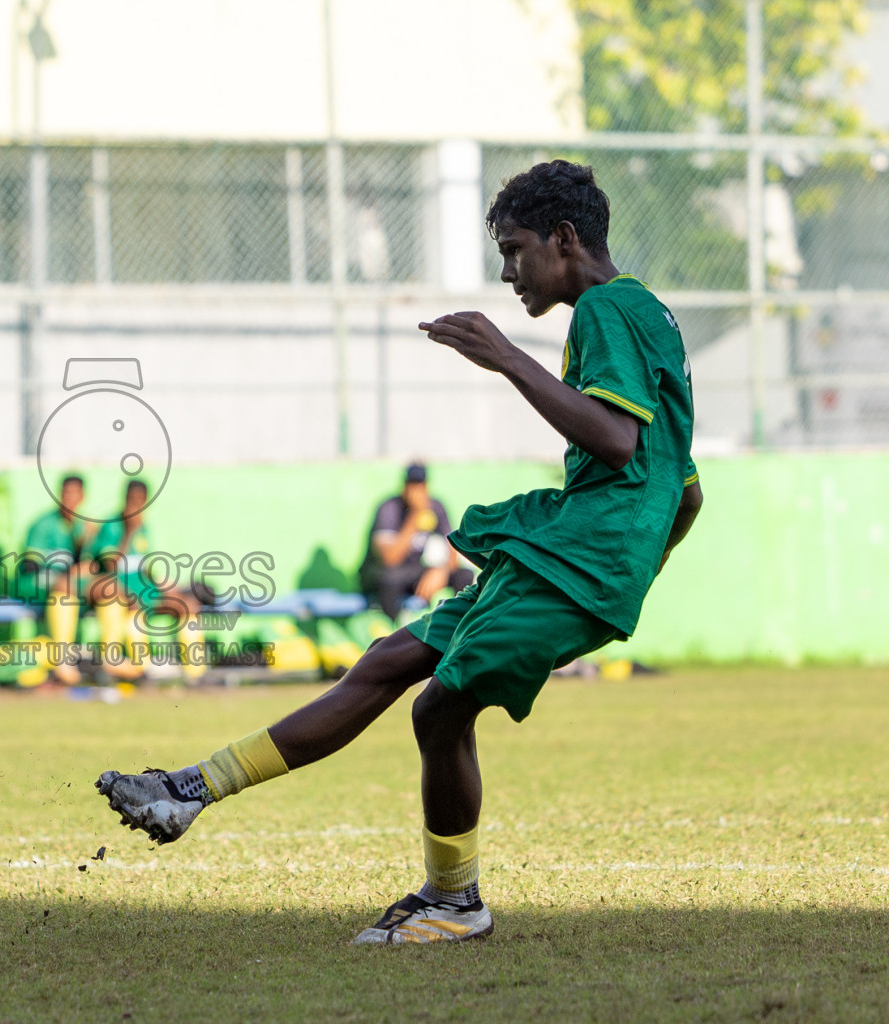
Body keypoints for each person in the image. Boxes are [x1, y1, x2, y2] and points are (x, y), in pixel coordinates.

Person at [96, 160, 703, 945]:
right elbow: (681, 489)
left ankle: (455, 903)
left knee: (439, 707)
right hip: (573, 554)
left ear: (564, 238)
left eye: (516, 249)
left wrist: (509, 359)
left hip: (580, 558)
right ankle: (189, 788)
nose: (507, 269)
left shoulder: (604, 312)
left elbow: (617, 443)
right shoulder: (651, 315)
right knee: (388, 659)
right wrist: (638, 569)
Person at [85, 479, 205, 682]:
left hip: (144, 590)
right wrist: (128, 532)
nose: (136, 506)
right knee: (135, 609)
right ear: (124, 499)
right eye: (133, 500)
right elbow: (110, 566)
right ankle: (142, 671)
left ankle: (196, 675)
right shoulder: (111, 527)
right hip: (123, 594)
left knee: (187, 606)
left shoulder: (144, 528)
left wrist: (165, 587)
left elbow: (142, 566)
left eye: (141, 502)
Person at [357, 463, 474, 620]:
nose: (416, 491)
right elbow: (390, 559)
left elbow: (454, 550)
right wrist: (415, 514)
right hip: (382, 575)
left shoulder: (436, 507)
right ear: (404, 486)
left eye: (420, 485)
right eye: (411, 485)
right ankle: (392, 637)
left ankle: (456, 628)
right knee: (390, 579)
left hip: (414, 571)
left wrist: (442, 570)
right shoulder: (389, 508)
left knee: (464, 575)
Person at [15, 474, 96, 684]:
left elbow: (88, 565)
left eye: (74, 493)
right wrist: (69, 573)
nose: (69, 498)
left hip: (66, 585)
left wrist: (84, 546)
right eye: (65, 493)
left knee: (107, 588)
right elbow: (30, 565)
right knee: (64, 584)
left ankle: (107, 659)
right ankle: (63, 657)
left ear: (82, 497)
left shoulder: (83, 527)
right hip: (34, 583)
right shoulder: (43, 524)